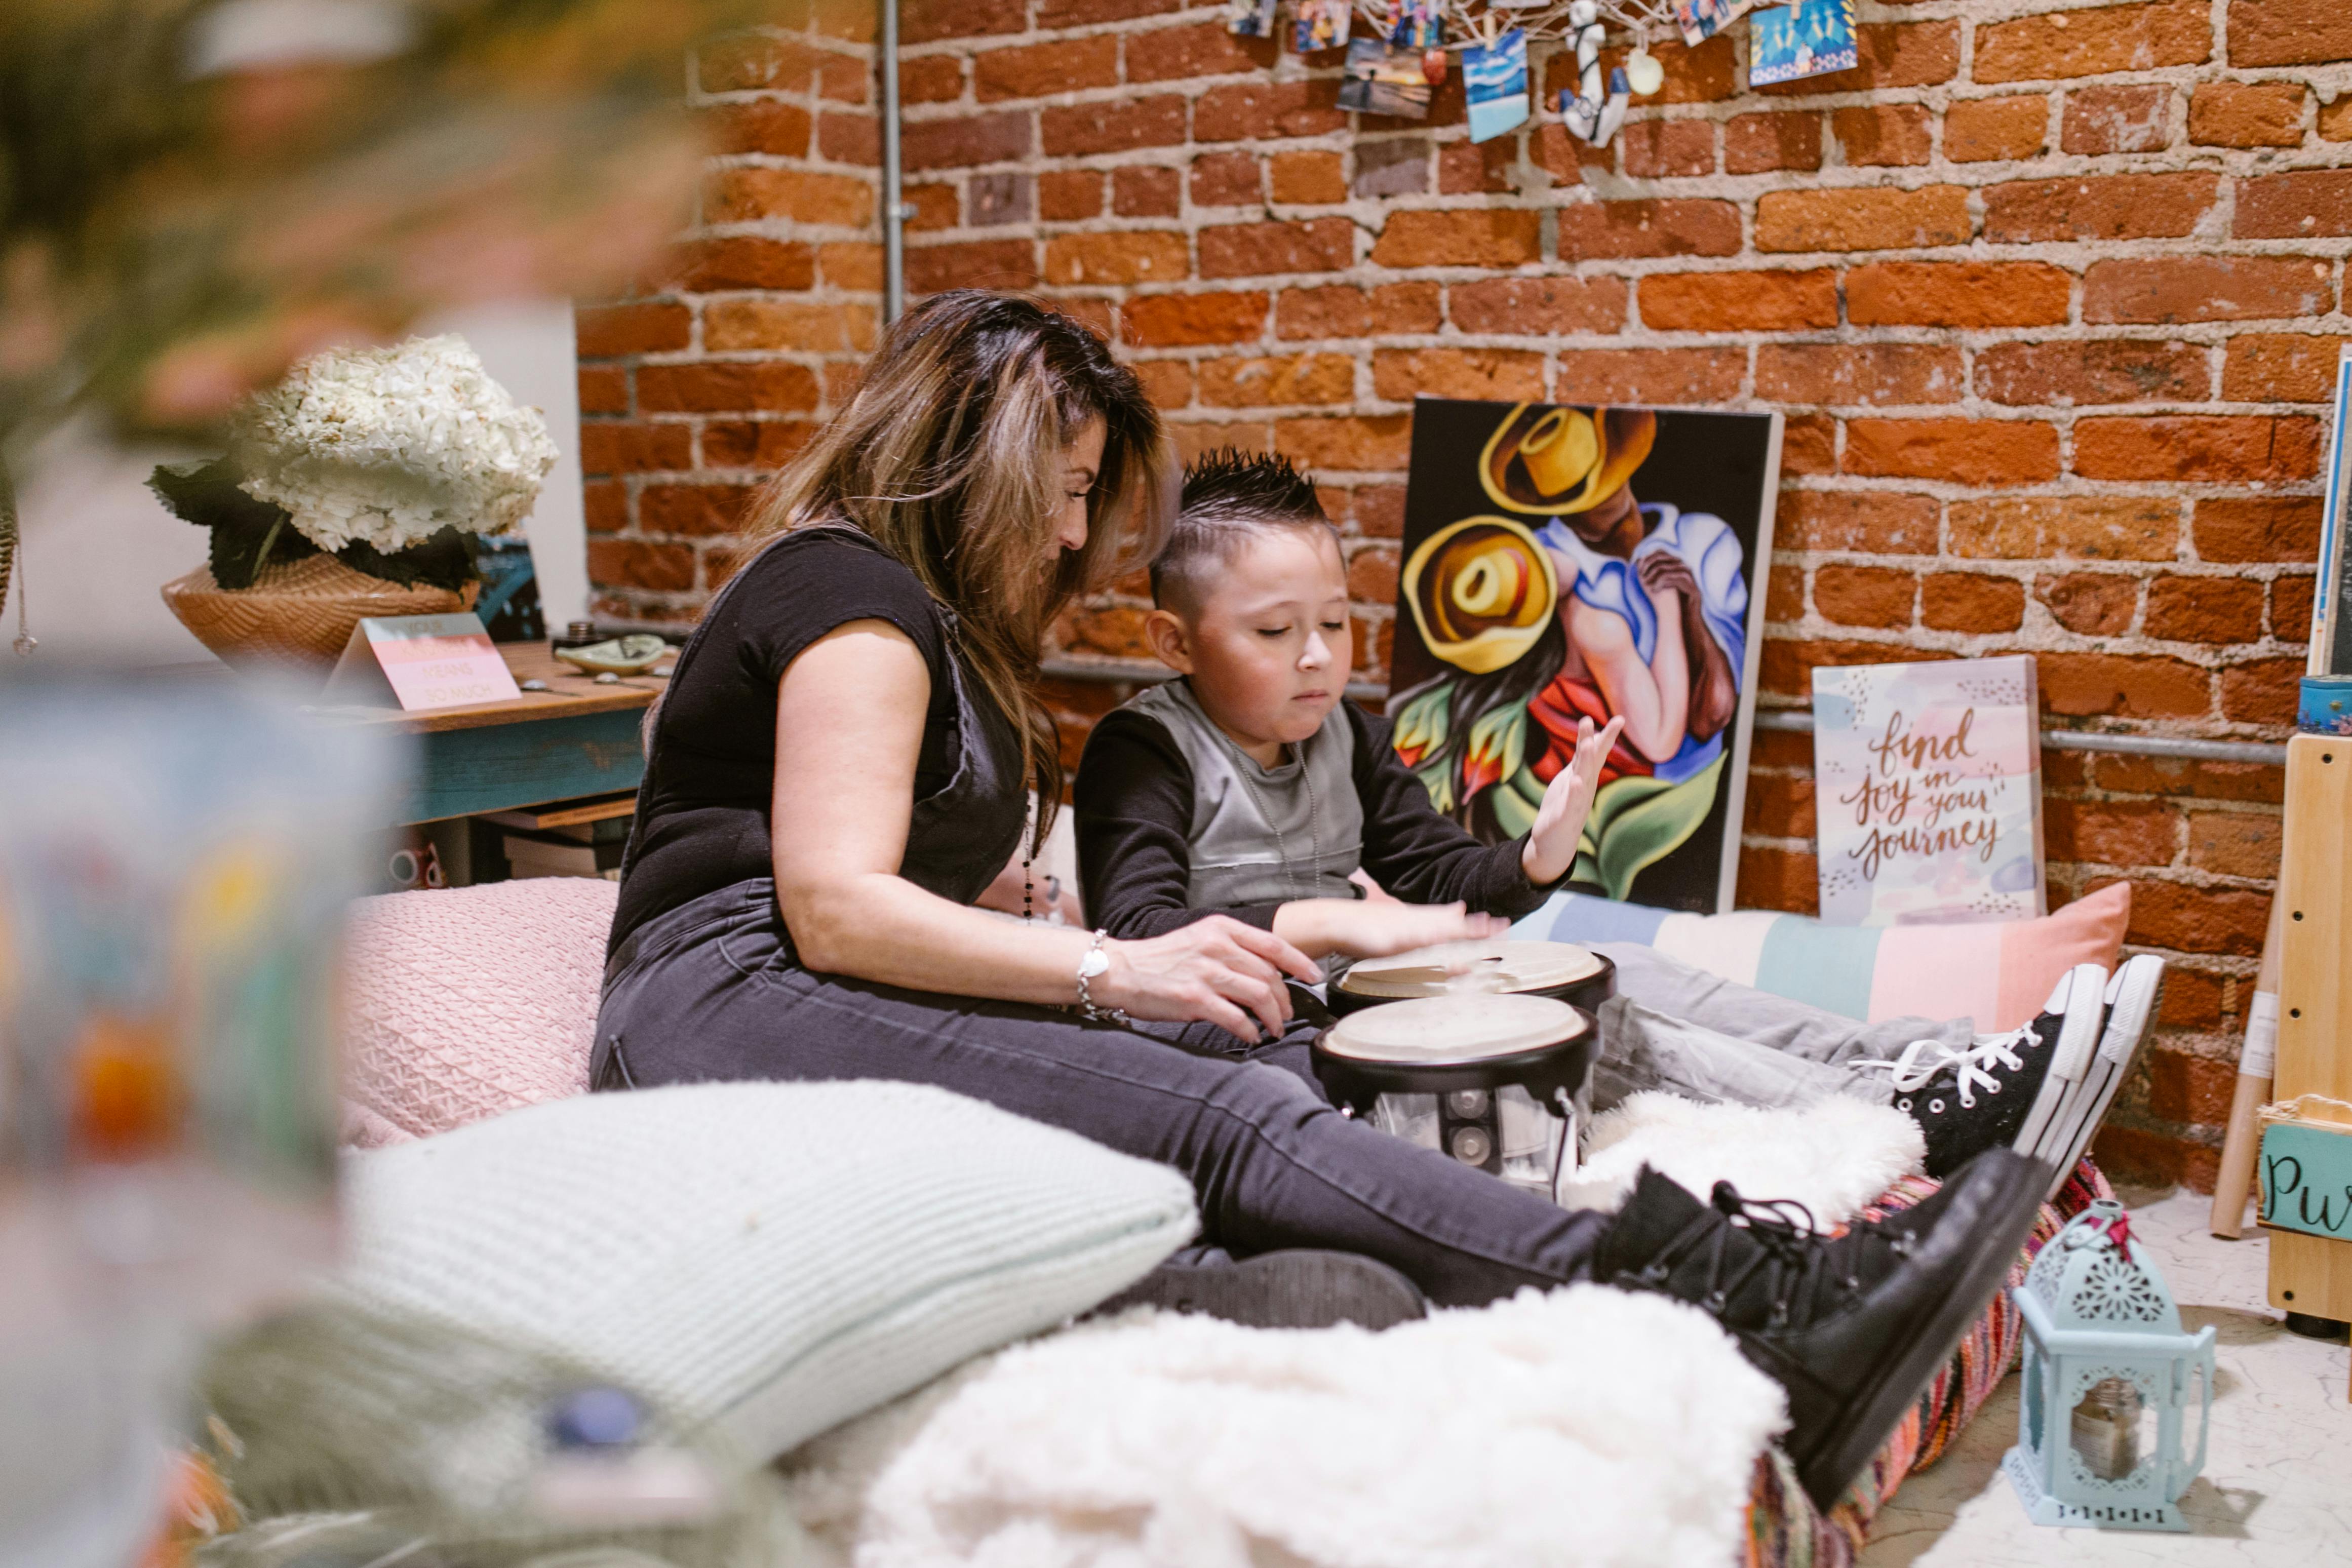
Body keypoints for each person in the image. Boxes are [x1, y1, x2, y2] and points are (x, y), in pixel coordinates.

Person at [591, 290, 2050, 1511]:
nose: (1064, 533)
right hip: (727, 995)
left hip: (801, 985)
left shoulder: (917, 621)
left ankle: (1241, 1285)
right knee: (1227, 1106)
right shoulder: (849, 597)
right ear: (977, 458)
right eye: (1064, 488)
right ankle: (1739, 1306)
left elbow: (878, 877)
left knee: (1264, 1062)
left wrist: (1050, 935)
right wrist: (1108, 970)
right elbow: (834, 906)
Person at [1073, 448, 2136, 1182]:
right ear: (1176, 643)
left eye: (1334, 625)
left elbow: (1439, 868)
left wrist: (1537, 853)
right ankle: (1899, 1118)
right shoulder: (1145, 748)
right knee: (1595, 1025)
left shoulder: (1342, 731)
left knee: (1618, 972)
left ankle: (1938, 1059)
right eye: (1273, 632)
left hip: (1372, 990)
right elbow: (1140, 938)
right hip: (1269, 1038)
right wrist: (1344, 926)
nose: (1317, 656)